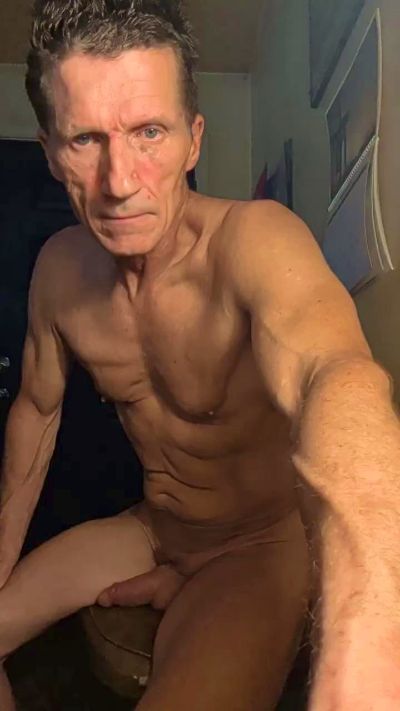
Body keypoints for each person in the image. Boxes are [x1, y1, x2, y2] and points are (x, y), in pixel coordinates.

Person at [0, 1, 399, 709]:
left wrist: (369, 628)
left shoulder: (254, 243)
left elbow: (334, 375)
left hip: (256, 546)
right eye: (86, 139)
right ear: (51, 150)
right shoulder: (59, 273)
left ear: (194, 139)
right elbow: (35, 415)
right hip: (151, 527)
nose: (120, 181)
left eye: (149, 132)